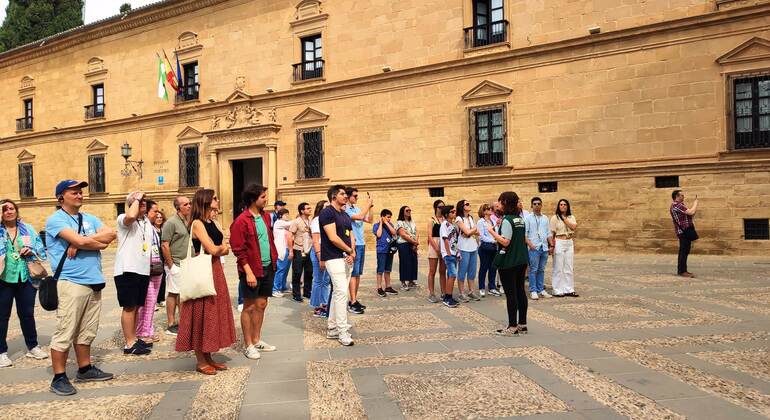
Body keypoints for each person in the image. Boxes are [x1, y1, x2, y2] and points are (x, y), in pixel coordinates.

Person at [46, 179, 116, 395]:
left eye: (80, 192)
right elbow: (87, 242)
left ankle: (84, 369)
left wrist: (82, 241)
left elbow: (110, 236)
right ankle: (59, 377)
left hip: (93, 280)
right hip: (71, 282)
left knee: (87, 330)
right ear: (61, 197)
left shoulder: (90, 218)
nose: (79, 195)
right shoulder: (56, 220)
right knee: (65, 330)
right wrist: (83, 242)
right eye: (73, 192)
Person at [176, 189, 236, 375]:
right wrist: (221, 249)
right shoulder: (197, 223)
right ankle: (200, 360)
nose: (218, 200)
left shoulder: (213, 222)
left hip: (215, 270)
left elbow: (226, 244)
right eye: (215, 198)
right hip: (203, 270)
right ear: (206, 201)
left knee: (212, 311)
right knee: (201, 312)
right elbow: (212, 248)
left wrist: (221, 248)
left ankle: (208, 355)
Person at [230, 184, 279, 360]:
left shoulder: (266, 217)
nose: (266, 200)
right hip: (251, 270)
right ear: (253, 199)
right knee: (249, 307)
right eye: (263, 197)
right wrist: (248, 272)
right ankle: (248, 344)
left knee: (262, 304)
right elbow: (239, 250)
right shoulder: (241, 221)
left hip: (267, 267)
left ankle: (257, 339)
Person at [0, 199, 48, 368]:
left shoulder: (27, 229)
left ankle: (33, 346)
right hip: (3, 278)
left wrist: (31, 250)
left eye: (11, 208)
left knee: (27, 313)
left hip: (26, 277)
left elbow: (41, 248)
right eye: (4, 209)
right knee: (2, 316)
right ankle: (1, 352)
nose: (8, 212)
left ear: (16, 210)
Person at [114, 192, 154, 356]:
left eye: (145, 201)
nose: (143, 203)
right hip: (127, 268)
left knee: (137, 306)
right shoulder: (124, 218)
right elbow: (130, 216)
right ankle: (129, 343)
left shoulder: (146, 222)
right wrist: (135, 200)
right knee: (129, 306)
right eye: (139, 201)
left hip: (142, 269)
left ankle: (134, 337)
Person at [487, 191, 529, 336]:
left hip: (509, 261)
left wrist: (491, 232)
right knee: (520, 291)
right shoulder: (519, 219)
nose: (498, 204)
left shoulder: (507, 220)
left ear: (505, 202)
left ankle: (512, 327)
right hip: (522, 259)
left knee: (511, 294)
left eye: (499, 201)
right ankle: (522, 324)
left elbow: (505, 241)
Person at [320, 185, 355, 346]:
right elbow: (333, 237)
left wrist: (352, 252)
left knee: (337, 293)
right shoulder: (327, 212)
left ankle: (333, 327)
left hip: (347, 257)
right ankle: (342, 331)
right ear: (334, 196)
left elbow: (350, 234)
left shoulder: (345, 214)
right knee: (342, 293)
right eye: (342, 194)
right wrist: (348, 250)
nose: (345, 196)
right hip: (333, 258)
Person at [161, 196, 191, 336]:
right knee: (173, 293)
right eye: (186, 204)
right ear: (178, 207)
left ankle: (181, 321)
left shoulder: (186, 221)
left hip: (185, 263)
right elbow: (164, 244)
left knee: (181, 293)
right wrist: (171, 265)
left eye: (189, 203)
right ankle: (171, 323)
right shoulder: (171, 223)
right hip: (175, 263)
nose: (189, 206)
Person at [135, 200, 164, 345]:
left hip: (156, 268)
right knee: (146, 302)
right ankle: (142, 332)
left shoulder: (152, 228)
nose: (157, 214)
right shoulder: (142, 227)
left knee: (152, 302)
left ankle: (148, 330)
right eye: (154, 211)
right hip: (147, 268)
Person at [345, 187, 373, 315]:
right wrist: (367, 205)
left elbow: (369, 219)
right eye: (355, 196)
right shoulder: (346, 209)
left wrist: (371, 207)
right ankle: (352, 301)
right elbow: (360, 217)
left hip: (361, 243)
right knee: (353, 273)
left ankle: (354, 299)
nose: (357, 198)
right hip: (353, 244)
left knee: (358, 274)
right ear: (349, 196)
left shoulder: (356, 208)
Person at [549, 199, 578, 297]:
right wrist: (551, 246)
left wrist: (564, 219)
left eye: (565, 204)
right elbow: (552, 233)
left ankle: (569, 289)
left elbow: (573, 227)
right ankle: (557, 289)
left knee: (569, 266)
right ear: (558, 206)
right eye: (561, 204)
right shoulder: (554, 218)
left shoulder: (571, 217)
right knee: (558, 266)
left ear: (567, 206)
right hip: (559, 241)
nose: (563, 206)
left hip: (569, 241)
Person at [524, 197, 552, 300]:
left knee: (541, 269)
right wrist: (530, 245)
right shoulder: (527, 218)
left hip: (544, 247)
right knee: (533, 270)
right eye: (534, 204)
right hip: (534, 247)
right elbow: (525, 234)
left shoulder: (545, 218)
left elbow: (548, 233)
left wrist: (551, 245)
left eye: (538, 203)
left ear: (541, 205)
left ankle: (541, 289)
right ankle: (533, 290)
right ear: (531, 205)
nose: (537, 205)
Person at [455, 199, 480, 302]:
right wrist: (471, 231)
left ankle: (471, 291)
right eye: (467, 204)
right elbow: (467, 231)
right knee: (462, 270)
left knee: (472, 270)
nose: (469, 205)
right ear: (462, 206)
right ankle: (461, 293)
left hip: (473, 246)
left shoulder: (470, 217)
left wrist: (470, 232)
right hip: (463, 247)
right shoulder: (459, 218)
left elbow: (476, 232)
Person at [309, 200, 331, 317]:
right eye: (326, 206)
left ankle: (324, 303)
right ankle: (317, 306)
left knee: (326, 280)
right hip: (319, 251)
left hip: (327, 251)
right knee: (318, 280)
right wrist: (319, 256)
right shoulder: (316, 220)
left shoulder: (328, 220)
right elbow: (316, 240)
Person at [670, 190, 698, 278]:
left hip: (686, 231)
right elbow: (691, 212)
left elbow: (690, 215)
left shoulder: (680, 205)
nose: (683, 196)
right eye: (682, 195)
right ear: (677, 196)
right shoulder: (676, 205)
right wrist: (696, 203)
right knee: (683, 251)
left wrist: (692, 210)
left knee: (685, 251)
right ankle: (682, 271)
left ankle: (683, 270)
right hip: (683, 232)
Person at [289, 203, 314, 303]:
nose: (310, 209)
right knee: (297, 272)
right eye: (307, 208)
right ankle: (296, 294)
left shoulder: (311, 221)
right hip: (298, 249)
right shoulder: (296, 222)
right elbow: (290, 236)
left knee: (309, 272)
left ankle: (307, 292)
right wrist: (290, 250)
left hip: (309, 249)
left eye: (310, 208)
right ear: (302, 211)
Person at [476, 203, 501, 298]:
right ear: (483, 211)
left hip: (494, 246)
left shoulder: (492, 221)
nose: (490, 209)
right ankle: (481, 287)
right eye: (488, 209)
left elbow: (495, 232)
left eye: (490, 208)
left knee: (493, 267)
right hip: (485, 247)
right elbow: (482, 236)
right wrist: (493, 240)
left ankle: (492, 287)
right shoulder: (480, 222)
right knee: (484, 267)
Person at [373, 209, 398, 298]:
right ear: (382, 217)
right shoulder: (376, 225)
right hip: (381, 250)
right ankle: (379, 287)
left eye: (390, 217)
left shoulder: (390, 224)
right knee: (380, 269)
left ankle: (388, 286)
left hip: (389, 250)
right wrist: (381, 223)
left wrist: (387, 223)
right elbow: (378, 235)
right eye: (387, 217)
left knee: (388, 269)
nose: (389, 219)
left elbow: (394, 233)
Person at [439, 205, 460, 308]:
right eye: (452, 212)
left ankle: (449, 296)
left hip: (454, 253)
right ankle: (447, 298)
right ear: (447, 214)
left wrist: (457, 252)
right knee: (452, 275)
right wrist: (448, 253)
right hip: (449, 254)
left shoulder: (452, 225)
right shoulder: (444, 224)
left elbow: (454, 240)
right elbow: (445, 239)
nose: (454, 213)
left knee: (451, 275)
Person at [426, 200, 446, 303]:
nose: (441, 208)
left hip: (443, 244)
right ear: (435, 208)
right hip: (434, 244)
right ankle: (431, 293)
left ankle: (443, 292)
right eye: (439, 207)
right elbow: (429, 236)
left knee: (443, 271)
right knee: (432, 271)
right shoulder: (431, 220)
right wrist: (436, 248)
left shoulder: (445, 219)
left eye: (443, 206)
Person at [396, 206, 419, 290]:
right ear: (403, 212)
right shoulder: (399, 222)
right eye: (407, 210)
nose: (409, 211)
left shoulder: (412, 222)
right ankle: (403, 282)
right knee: (405, 263)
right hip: (404, 244)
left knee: (413, 262)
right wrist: (414, 242)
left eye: (410, 210)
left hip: (413, 244)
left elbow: (416, 232)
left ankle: (411, 281)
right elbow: (402, 234)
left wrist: (415, 243)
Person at [272, 209, 293, 298]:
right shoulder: (279, 222)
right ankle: (275, 289)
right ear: (280, 216)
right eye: (285, 214)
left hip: (287, 248)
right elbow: (292, 223)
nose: (287, 216)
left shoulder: (284, 225)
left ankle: (282, 286)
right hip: (281, 249)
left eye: (288, 214)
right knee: (280, 270)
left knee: (285, 270)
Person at [153, 210, 167, 308]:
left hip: (163, 255)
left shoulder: (164, 229)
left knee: (163, 278)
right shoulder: (151, 229)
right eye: (157, 217)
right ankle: (154, 300)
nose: (159, 219)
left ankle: (161, 298)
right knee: (155, 278)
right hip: (155, 256)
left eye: (161, 218)